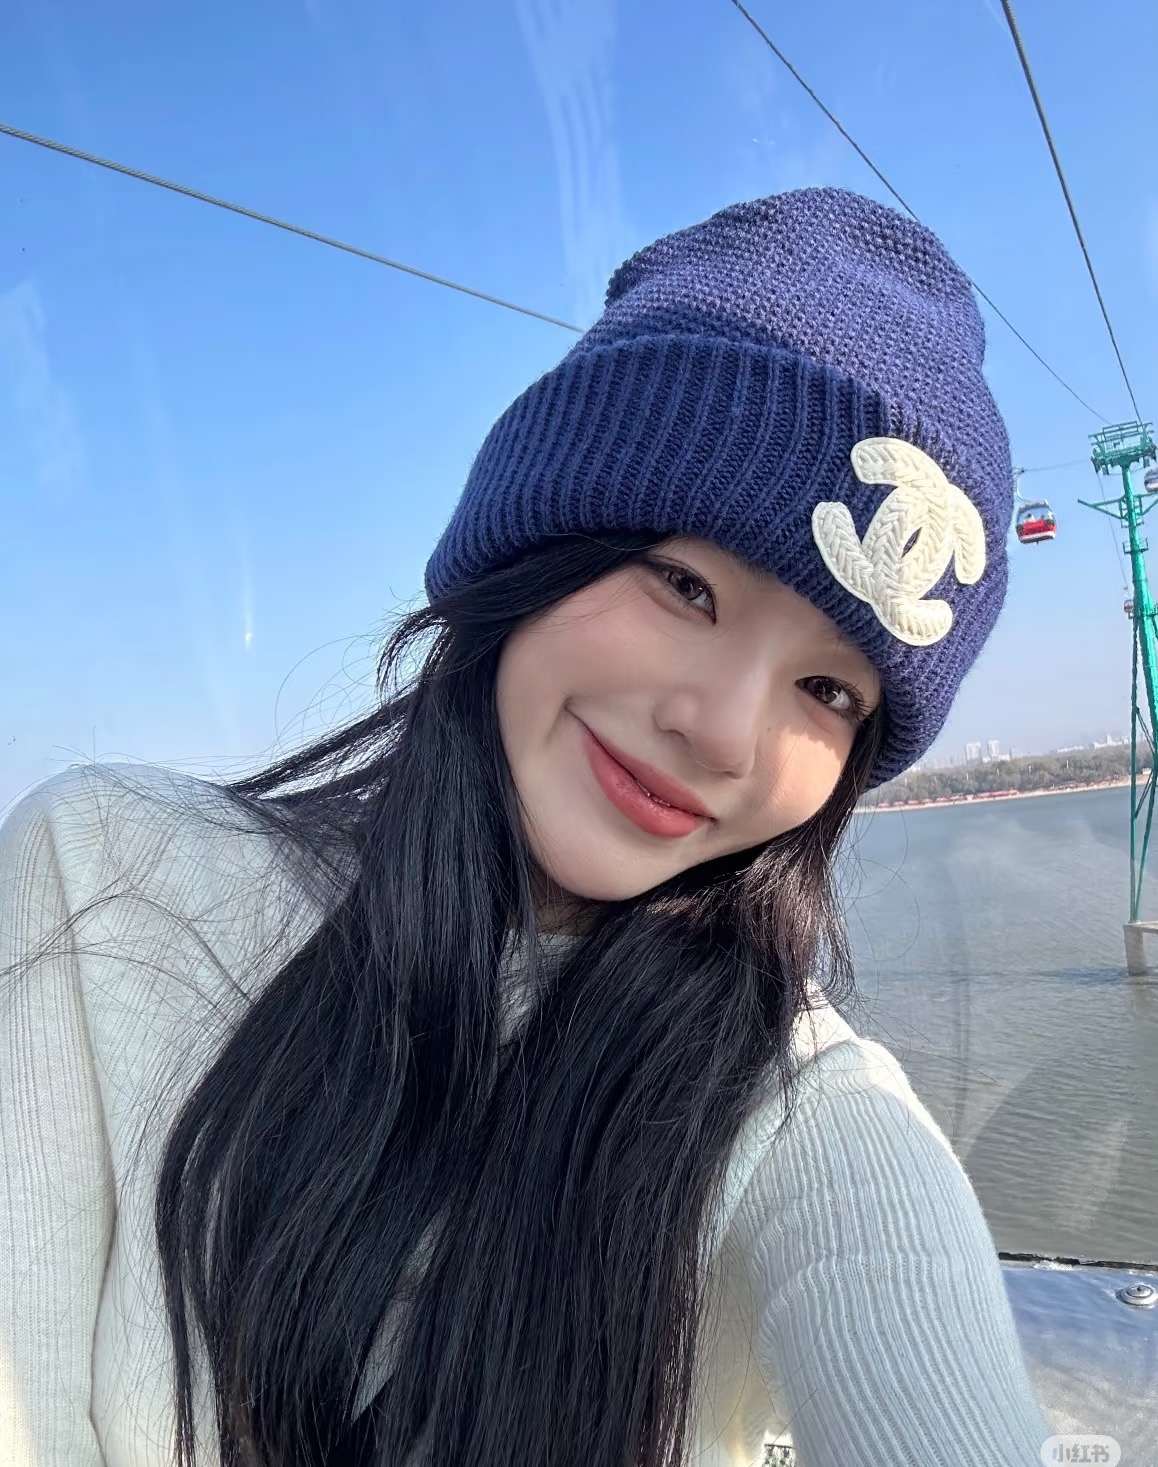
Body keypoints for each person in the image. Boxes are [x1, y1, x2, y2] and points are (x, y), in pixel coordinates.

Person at [0, 188, 1051, 1467]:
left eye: (829, 691)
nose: (726, 733)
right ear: (529, 550)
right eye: (687, 584)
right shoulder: (106, 877)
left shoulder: (797, 1112)